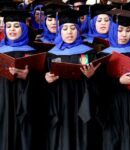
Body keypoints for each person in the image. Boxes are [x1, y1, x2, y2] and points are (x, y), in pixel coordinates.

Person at [44, 8, 100, 150]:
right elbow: (42, 83)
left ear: (78, 30)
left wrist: (91, 77)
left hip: (82, 100)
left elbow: (101, 82)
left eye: (73, 28)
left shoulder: (89, 52)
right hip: (60, 101)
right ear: (59, 31)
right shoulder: (51, 54)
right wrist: (46, 79)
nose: (69, 32)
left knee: (84, 135)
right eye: (65, 29)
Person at [96, 10, 130, 150]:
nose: (124, 35)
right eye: (119, 30)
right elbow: (98, 85)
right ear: (113, 31)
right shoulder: (102, 55)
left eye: (127, 30)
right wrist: (119, 81)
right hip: (114, 105)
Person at [0, 8, 36, 150]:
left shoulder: (33, 51)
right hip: (3, 98)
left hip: (25, 100)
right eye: (9, 26)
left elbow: (43, 84)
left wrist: (28, 76)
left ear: (23, 28)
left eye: (16, 26)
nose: (12, 30)